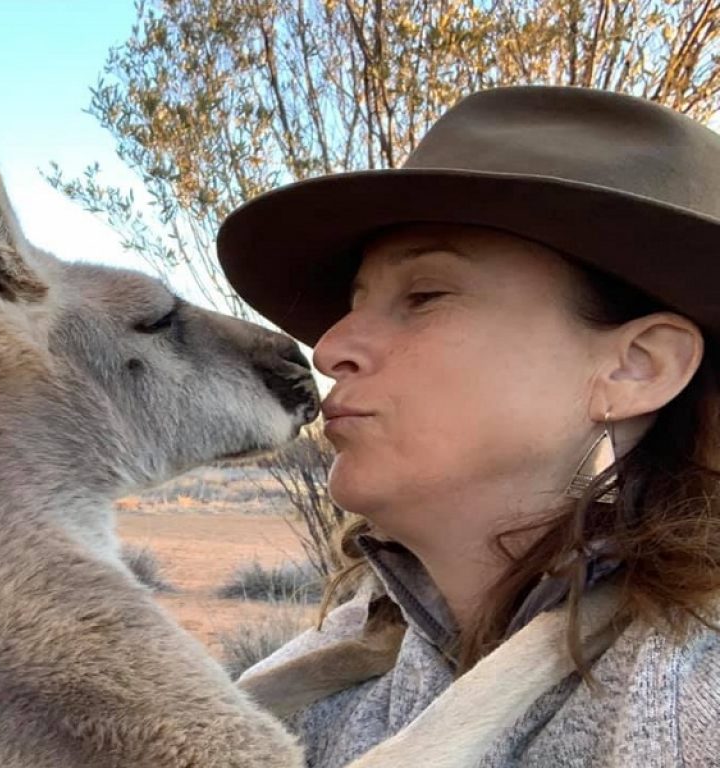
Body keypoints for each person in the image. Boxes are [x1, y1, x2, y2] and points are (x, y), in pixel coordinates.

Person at [216, 86, 719, 766]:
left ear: (638, 367)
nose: (330, 348)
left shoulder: (691, 704)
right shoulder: (319, 689)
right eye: (355, 303)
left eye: (424, 296)